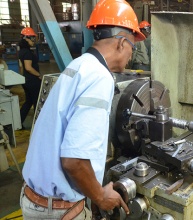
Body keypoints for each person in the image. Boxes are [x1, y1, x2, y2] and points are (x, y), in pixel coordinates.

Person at [20, 0, 145, 219]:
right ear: (121, 43)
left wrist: (90, 191)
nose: (131, 56)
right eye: (132, 48)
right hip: (58, 210)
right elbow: (74, 160)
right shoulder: (99, 77)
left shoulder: (79, 65)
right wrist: (99, 196)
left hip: (35, 198)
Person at [18, 27, 41, 127]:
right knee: (37, 102)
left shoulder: (21, 51)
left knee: (28, 102)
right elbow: (28, 67)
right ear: (26, 39)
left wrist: (24, 79)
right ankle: (38, 125)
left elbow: (21, 68)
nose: (33, 41)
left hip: (26, 81)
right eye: (32, 38)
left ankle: (18, 122)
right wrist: (38, 75)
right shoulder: (27, 52)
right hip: (33, 81)